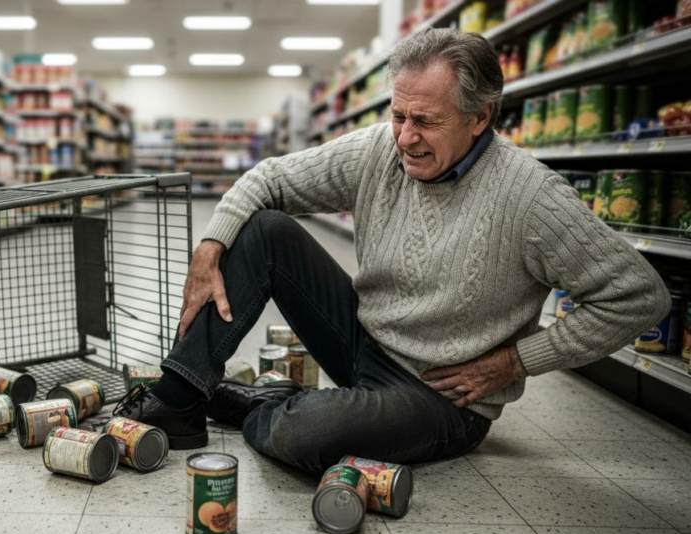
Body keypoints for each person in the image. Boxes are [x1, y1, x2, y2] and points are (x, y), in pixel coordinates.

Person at [113, 28, 672, 476]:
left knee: (299, 437)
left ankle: (259, 405)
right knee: (264, 230)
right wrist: (208, 248)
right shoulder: (381, 150)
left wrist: (515, 361)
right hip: (363, 341)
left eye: (425, 121)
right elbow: (269, 178)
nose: (404, 137)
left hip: (441, 396)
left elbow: (638, 297)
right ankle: (179, 397)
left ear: (482, 117)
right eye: (398, 115)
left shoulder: (531, 199)